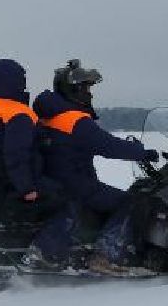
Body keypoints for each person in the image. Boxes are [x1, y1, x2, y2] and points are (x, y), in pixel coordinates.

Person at [31, 58, 158, 273]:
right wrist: (143, 152)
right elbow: (107, 145)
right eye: (85, 87)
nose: (89, 93)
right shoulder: (75, 121)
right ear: (73, 89)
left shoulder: (48, 116)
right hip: (75, 183)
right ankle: (105, 254)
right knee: (129, 202)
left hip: (54, 179)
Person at [0, 58, 53, 224]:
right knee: (61, 196)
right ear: (16, 82)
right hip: (14, 184)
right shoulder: (19, 114)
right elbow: (17, 154)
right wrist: (27, 188)